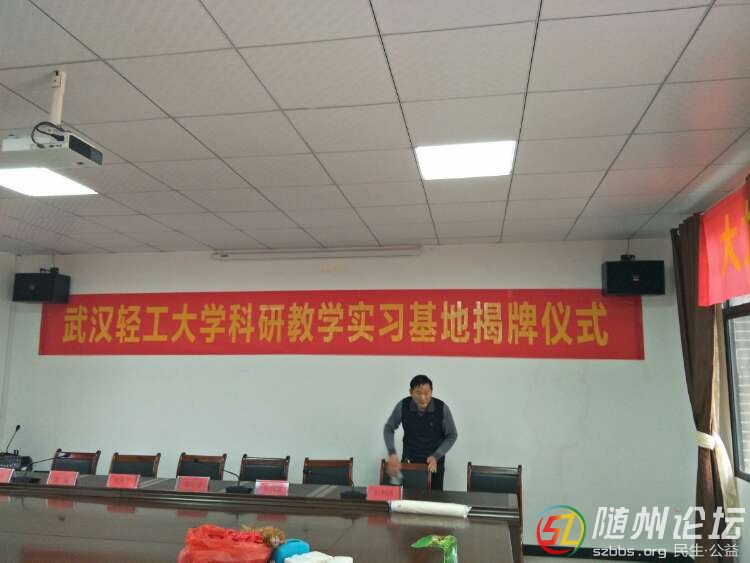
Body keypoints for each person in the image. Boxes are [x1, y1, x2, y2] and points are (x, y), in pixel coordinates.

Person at [383, 374, 457, 491]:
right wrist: (392, 453)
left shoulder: (442, 408)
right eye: (418, 393)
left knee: (434, 499)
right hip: (409, 464)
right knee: (407, 497)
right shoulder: (403, 405)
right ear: (411, 392)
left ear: (432, 392)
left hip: (434, 464)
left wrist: (436, 456)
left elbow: (452, 435)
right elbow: (388, 428)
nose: (423, 398)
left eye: (427, 393)